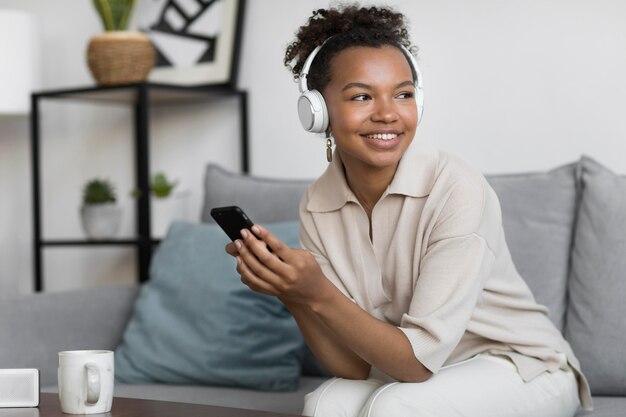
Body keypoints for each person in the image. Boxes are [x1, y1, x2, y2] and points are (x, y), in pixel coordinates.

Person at [226, 4, 592, 416]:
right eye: (361, 96)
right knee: (325, 404)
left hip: (521, 365)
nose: (387, 113)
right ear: (318, 111)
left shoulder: (456, 188)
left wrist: (318, 292)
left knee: (396, 407)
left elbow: (415, 364)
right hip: (432, 372)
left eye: (402, 94)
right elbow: (357, 366)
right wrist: (294, 295)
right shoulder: (318, 202)